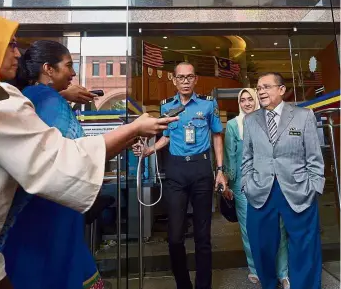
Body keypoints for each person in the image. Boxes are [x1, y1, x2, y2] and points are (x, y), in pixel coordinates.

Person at [0, 10, 177, 289]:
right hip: (41, 228)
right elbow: (62, 160)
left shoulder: (22, 96)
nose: (18, 53)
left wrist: (58, 93)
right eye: (10, 44)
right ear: (48, 69)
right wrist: (133, 129)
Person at [0, 40, 105, 289]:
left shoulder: (28, 96)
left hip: (33, 212)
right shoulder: (49, 100)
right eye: (68, 65)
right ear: (48, 68)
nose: (74, 73)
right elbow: (67, 155)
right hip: (52, 213)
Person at [133, 62, 226, 289]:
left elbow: (216, 136)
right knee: (174, 237)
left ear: (195, 80)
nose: (185, 81)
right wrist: (148, 151)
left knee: (203, 237)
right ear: (174, 80)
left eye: (189, 77)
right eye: (181, 77)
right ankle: (183, 285)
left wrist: (220, 170)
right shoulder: (167, 108)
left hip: (201, 170)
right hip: (176, 172)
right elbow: (166, 138)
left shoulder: (207, 104)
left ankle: (203, 286)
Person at [241, 72, 324, 289]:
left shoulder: (303, 116)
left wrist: (314, 186)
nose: (261, 92)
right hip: (260, 190)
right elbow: (246, 158)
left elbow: (314, 157)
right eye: (259, 88)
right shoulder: (250, 120)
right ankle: (269, 285)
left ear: (281, 90)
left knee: (304, 245)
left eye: (266, 87)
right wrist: (247, 184)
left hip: (298, 189)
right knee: (261, 246)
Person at [224, 88, 290, 288]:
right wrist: (228, 183)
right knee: (250, 230)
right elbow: (229, 156)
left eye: (250, 99)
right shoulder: (234, 125)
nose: (247, 103)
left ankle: (282, 272)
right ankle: (256, 269)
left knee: (278, 227)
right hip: (242, 186)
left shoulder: (268, 120)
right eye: (242, 100)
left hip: (269, 182)